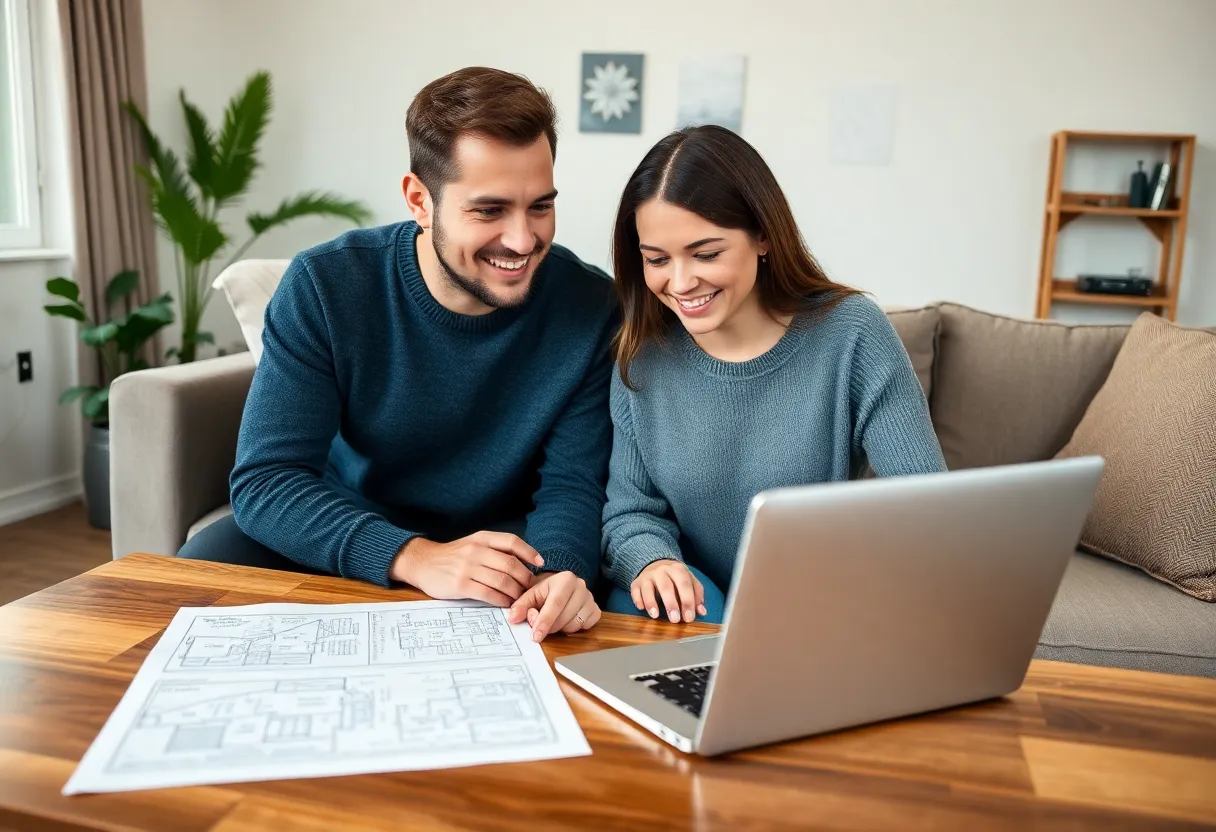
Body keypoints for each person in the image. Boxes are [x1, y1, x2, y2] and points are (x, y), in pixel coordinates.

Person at [179, 67, 618, 642]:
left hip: (505, 542)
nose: (522, 239)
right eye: (489, 211)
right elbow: (268, 480)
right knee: (199, 564)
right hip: (358, 518)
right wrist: (413, 557)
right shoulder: (326, 284)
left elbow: (573, 485)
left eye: (540, 206)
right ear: (420, 200)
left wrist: (560, 571)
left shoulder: (590, 305)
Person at [600, 125, 946, 626]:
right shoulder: (642, 355)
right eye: (657, 259)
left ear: (763, 236)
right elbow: (631, 512)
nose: (679, 282)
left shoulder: (851, 333)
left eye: (706, 254)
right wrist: (653, 560)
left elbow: (926, 504)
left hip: (814, 599)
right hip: (694, 606)